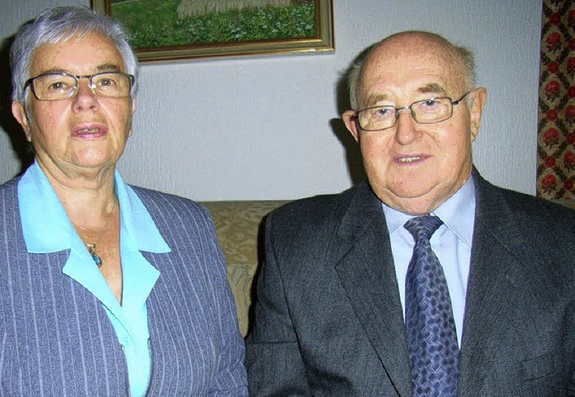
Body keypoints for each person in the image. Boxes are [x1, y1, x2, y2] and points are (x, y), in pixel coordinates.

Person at [0, 6, 247, 396]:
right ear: (23, 116)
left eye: (106, 80)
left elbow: (227, 379)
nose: (86, 99)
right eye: (58, 84)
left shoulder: (191, 226)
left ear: (130, 108)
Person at [245, 31, 575, 395]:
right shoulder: (294, 245)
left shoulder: (563, 244)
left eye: (430, 103)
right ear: (356, 129)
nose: (405, 133)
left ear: (474, 112)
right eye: (382, 110)